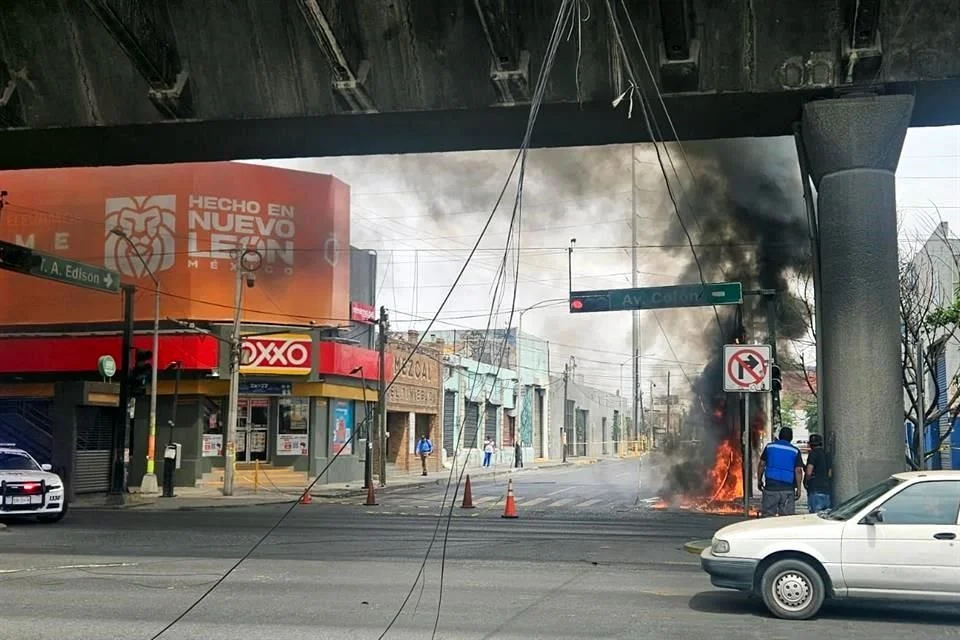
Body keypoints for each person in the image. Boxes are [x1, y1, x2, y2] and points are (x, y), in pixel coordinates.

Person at [757, 426, 804, 517]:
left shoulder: (770, 447)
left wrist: (759, 480)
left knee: (768, 517)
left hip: (771, 487)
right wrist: (799, 489)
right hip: (787, 489)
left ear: (779, 436)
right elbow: (798, 471)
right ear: (791, 438)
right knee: (786, 519)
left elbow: (762, 464)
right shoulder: (795, 451)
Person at [804, 433, 832, 513]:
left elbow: (809, 472)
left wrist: (806, 482)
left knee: (815, 518)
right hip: (826, 490)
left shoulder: (813, 454)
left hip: (815, 489)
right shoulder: (827, 455)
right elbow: (830, 474)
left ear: (810, 445)